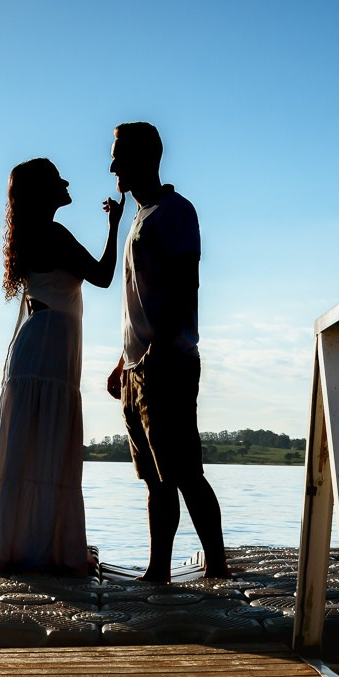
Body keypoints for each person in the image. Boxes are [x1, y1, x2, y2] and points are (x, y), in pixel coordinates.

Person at [0, 158, 122, 572]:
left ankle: (14, 542)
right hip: (51, 344)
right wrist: (115, 226)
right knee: (49, 443)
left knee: (27, 444)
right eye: (58, 178)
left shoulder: (36, 235)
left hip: (39, 341)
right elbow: (104, 275)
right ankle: (47, 545)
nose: (67, 182)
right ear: (44, 191)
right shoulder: (53, 235)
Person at [105, 121, 228, 582]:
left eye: (119, 155)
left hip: (168, 361)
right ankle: (158, 569)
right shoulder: (139, 217)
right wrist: (124, 362)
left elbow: (184, 283)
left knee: (184, 470)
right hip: (138, 366)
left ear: (145, 158)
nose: (112, 165)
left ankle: (217, 565)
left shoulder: (175, 211)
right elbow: (138, 297)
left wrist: (156, 349)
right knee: (154, 478)